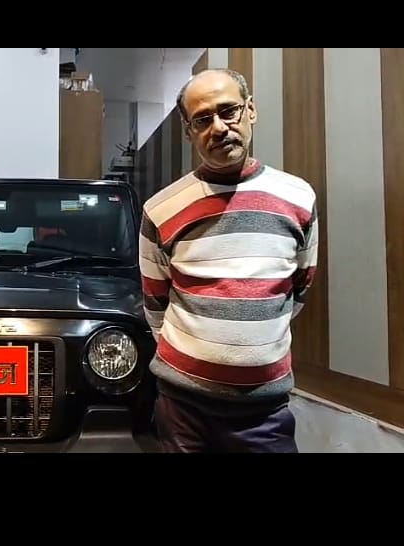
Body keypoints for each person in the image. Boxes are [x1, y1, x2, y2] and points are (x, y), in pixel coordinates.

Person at [138, 68, 318, 453]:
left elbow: (299, 287)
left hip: (263, 410)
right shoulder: (161, 209)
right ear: (189, 132)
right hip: (182, 408)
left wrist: (251, 341)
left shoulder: (299, 197)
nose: (218, 127)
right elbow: (155, 302)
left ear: (250, 110)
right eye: (202, 119)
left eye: (228, 111)